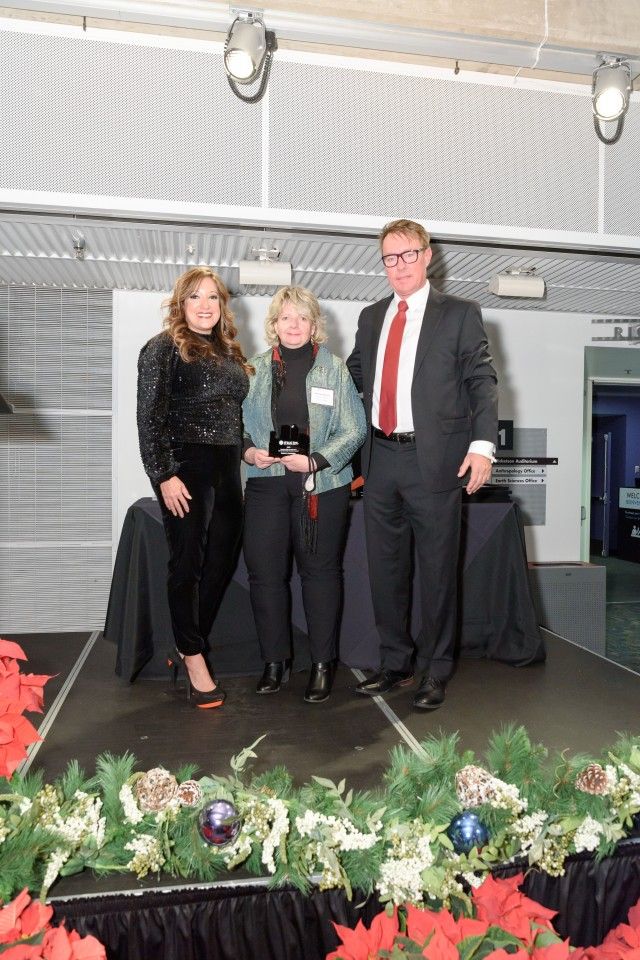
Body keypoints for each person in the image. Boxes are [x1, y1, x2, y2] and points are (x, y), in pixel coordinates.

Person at [347, 219, 498, 710]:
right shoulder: (371, 317)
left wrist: (482, 445)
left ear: (427, 255)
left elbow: (481, 381)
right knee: (385, 570)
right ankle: (395, 663)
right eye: (390, 258)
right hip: (380, 457)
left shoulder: (459, 314)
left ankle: (435, 670)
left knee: (436, 573)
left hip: (435, 462)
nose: (399, 266)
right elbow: (354, 375)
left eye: (408, 254)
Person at [242, 286, 366, 703]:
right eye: (285, 318)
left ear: (315, 325)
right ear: (274, 324)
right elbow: (234, 428)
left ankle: (321, 664)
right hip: (267, 485)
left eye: (302, 318)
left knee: (320, 576)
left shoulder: (335, 370)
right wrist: (249, 451)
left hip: (321, 486)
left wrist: (316, 459)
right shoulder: (254, 370)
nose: (293, 325)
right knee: (265, 577)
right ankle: (274, 662)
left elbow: (355, 429)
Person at [137, 266, 252, 709]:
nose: (205, 306)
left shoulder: (227, 352)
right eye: (195, 298)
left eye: (213, 298)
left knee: (221, 563)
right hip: (186, 467)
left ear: (222, 305)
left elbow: (232, 418)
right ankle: (192, 655)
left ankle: (188, 642)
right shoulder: (163, 348)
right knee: (187, 564)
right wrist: (163, 475)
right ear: (181, 305)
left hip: (227, 469)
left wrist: (247, 451)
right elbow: (148, 419)